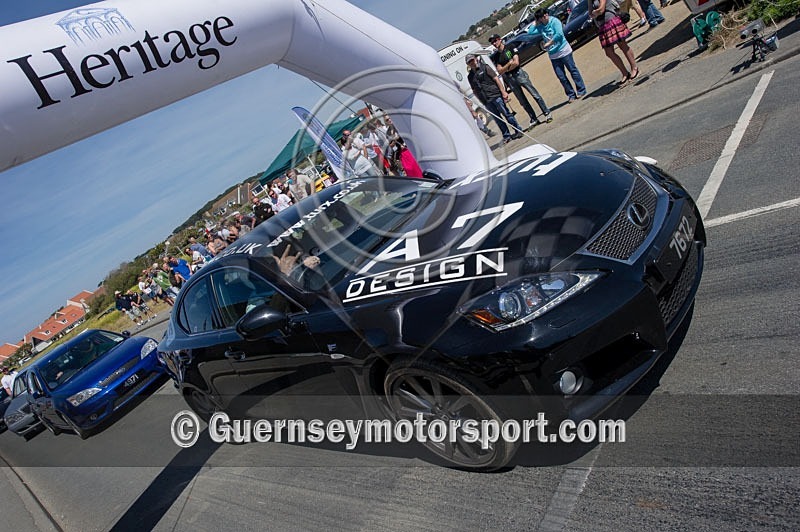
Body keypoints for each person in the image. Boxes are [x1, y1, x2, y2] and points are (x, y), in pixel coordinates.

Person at [489, 34, 553, 128]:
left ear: (500, 39)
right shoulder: (496, 56)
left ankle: (546, 112)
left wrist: (505, 67)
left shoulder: (510, 47)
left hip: (519, 74)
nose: (494, 43)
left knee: (534, 94)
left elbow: (516, 62)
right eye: (492, 42)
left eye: (495, 40)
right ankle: (533, 118)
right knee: (522, 101)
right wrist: (508, 65)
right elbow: (499, 71)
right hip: (510, 79)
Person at [529, 9, 587, 103]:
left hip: (563, 50)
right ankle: (571, 94)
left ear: (546, 15)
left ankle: (581, 90)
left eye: (543, 17)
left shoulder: (554, 21)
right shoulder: (540, 26)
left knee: (572, 70)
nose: (542, 19)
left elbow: (559, 34)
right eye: (540, 19)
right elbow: (530, 32)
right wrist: (535, 22)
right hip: (553, 55)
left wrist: (550, 43)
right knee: (561, 76)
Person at [466, 53, 523, 144]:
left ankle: (518, 130)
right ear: (468, 64)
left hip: (496, 96)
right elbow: (474, 90)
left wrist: (503, 92)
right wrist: (481, 101)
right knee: (497, 119)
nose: (472, 63)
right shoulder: (470, 77)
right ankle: (506, 135)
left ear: (476, 59)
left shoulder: (485, 67)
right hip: (486, 101)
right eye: (469, 62)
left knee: (506, 114)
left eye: (472, 60)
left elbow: (496, 79)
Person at [590, 0, 639, 85]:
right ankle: (624, 73)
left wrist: (595, 12)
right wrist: (594, 12)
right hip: (602, 26)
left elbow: (601, 9)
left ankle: (634, 68)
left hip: (612, 21)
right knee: (609, 52)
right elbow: (590, 13)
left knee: (623, 46)